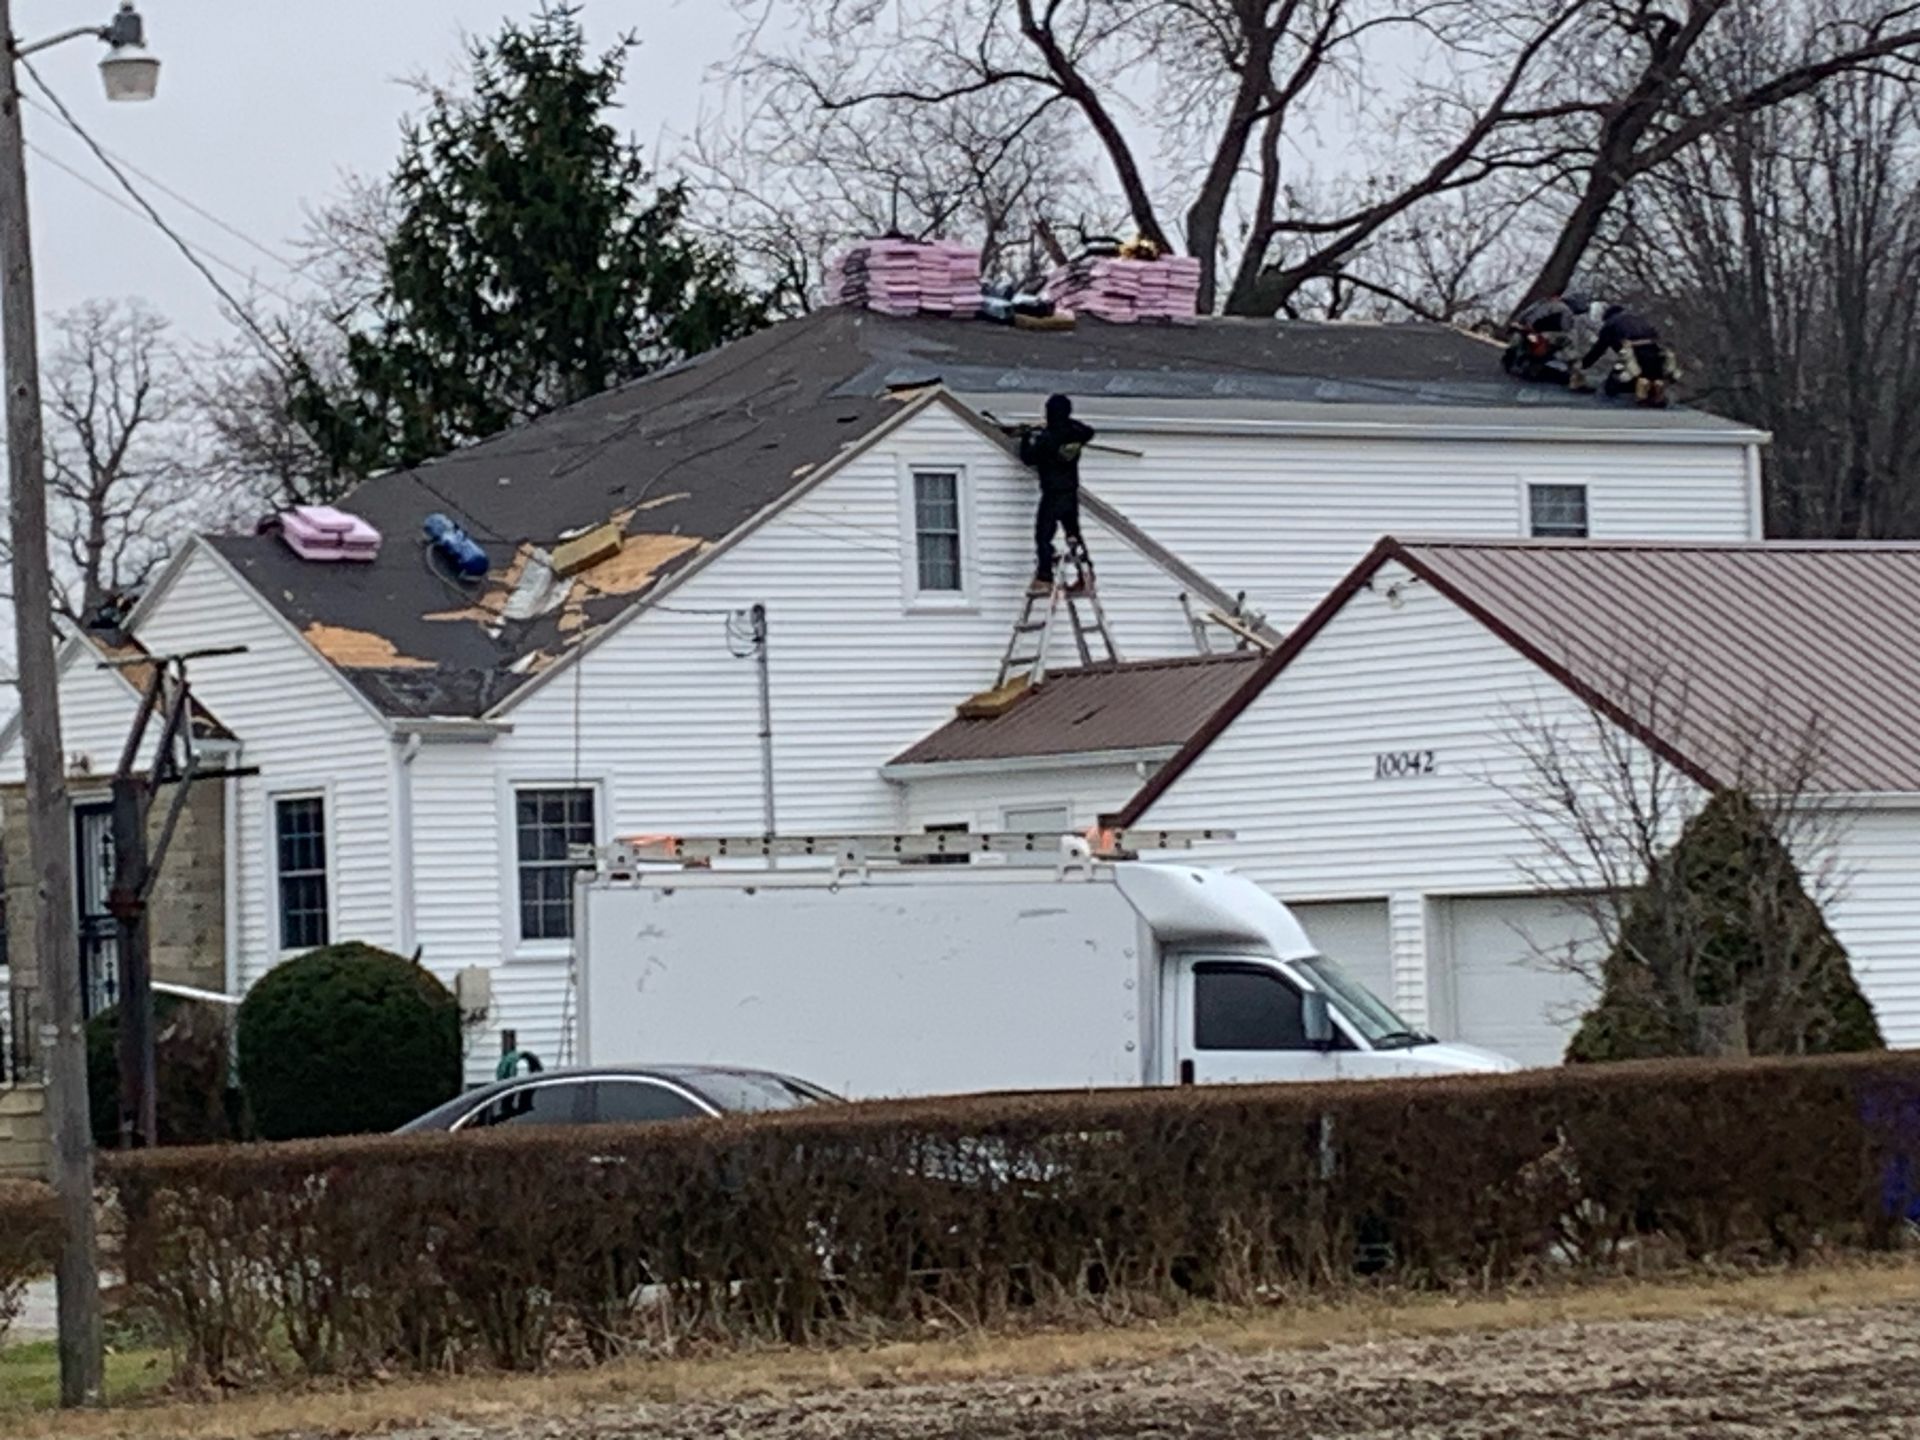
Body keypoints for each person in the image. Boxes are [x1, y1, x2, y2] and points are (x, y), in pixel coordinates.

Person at [1019, 394, 1096, 593]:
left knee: (1043, 536)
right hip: (1070, 493)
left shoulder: (1047, 439)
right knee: (1073, 535)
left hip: (1052, 494)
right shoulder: (1076, 434)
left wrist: (1026, 437)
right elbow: (1089, 431)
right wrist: (1067, 423)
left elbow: (1028, 458)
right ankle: (1086, 575)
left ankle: (1045, 577)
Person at [1581, 303, 1673, 407]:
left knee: (1612, 385)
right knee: (1652, 377)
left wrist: (1583, 365)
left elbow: (1598, 350)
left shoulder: (1610, 324)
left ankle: (1635, 398)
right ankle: (1656, 394)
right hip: (1655, 353)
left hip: (1634, 353)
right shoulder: (1637, 319)